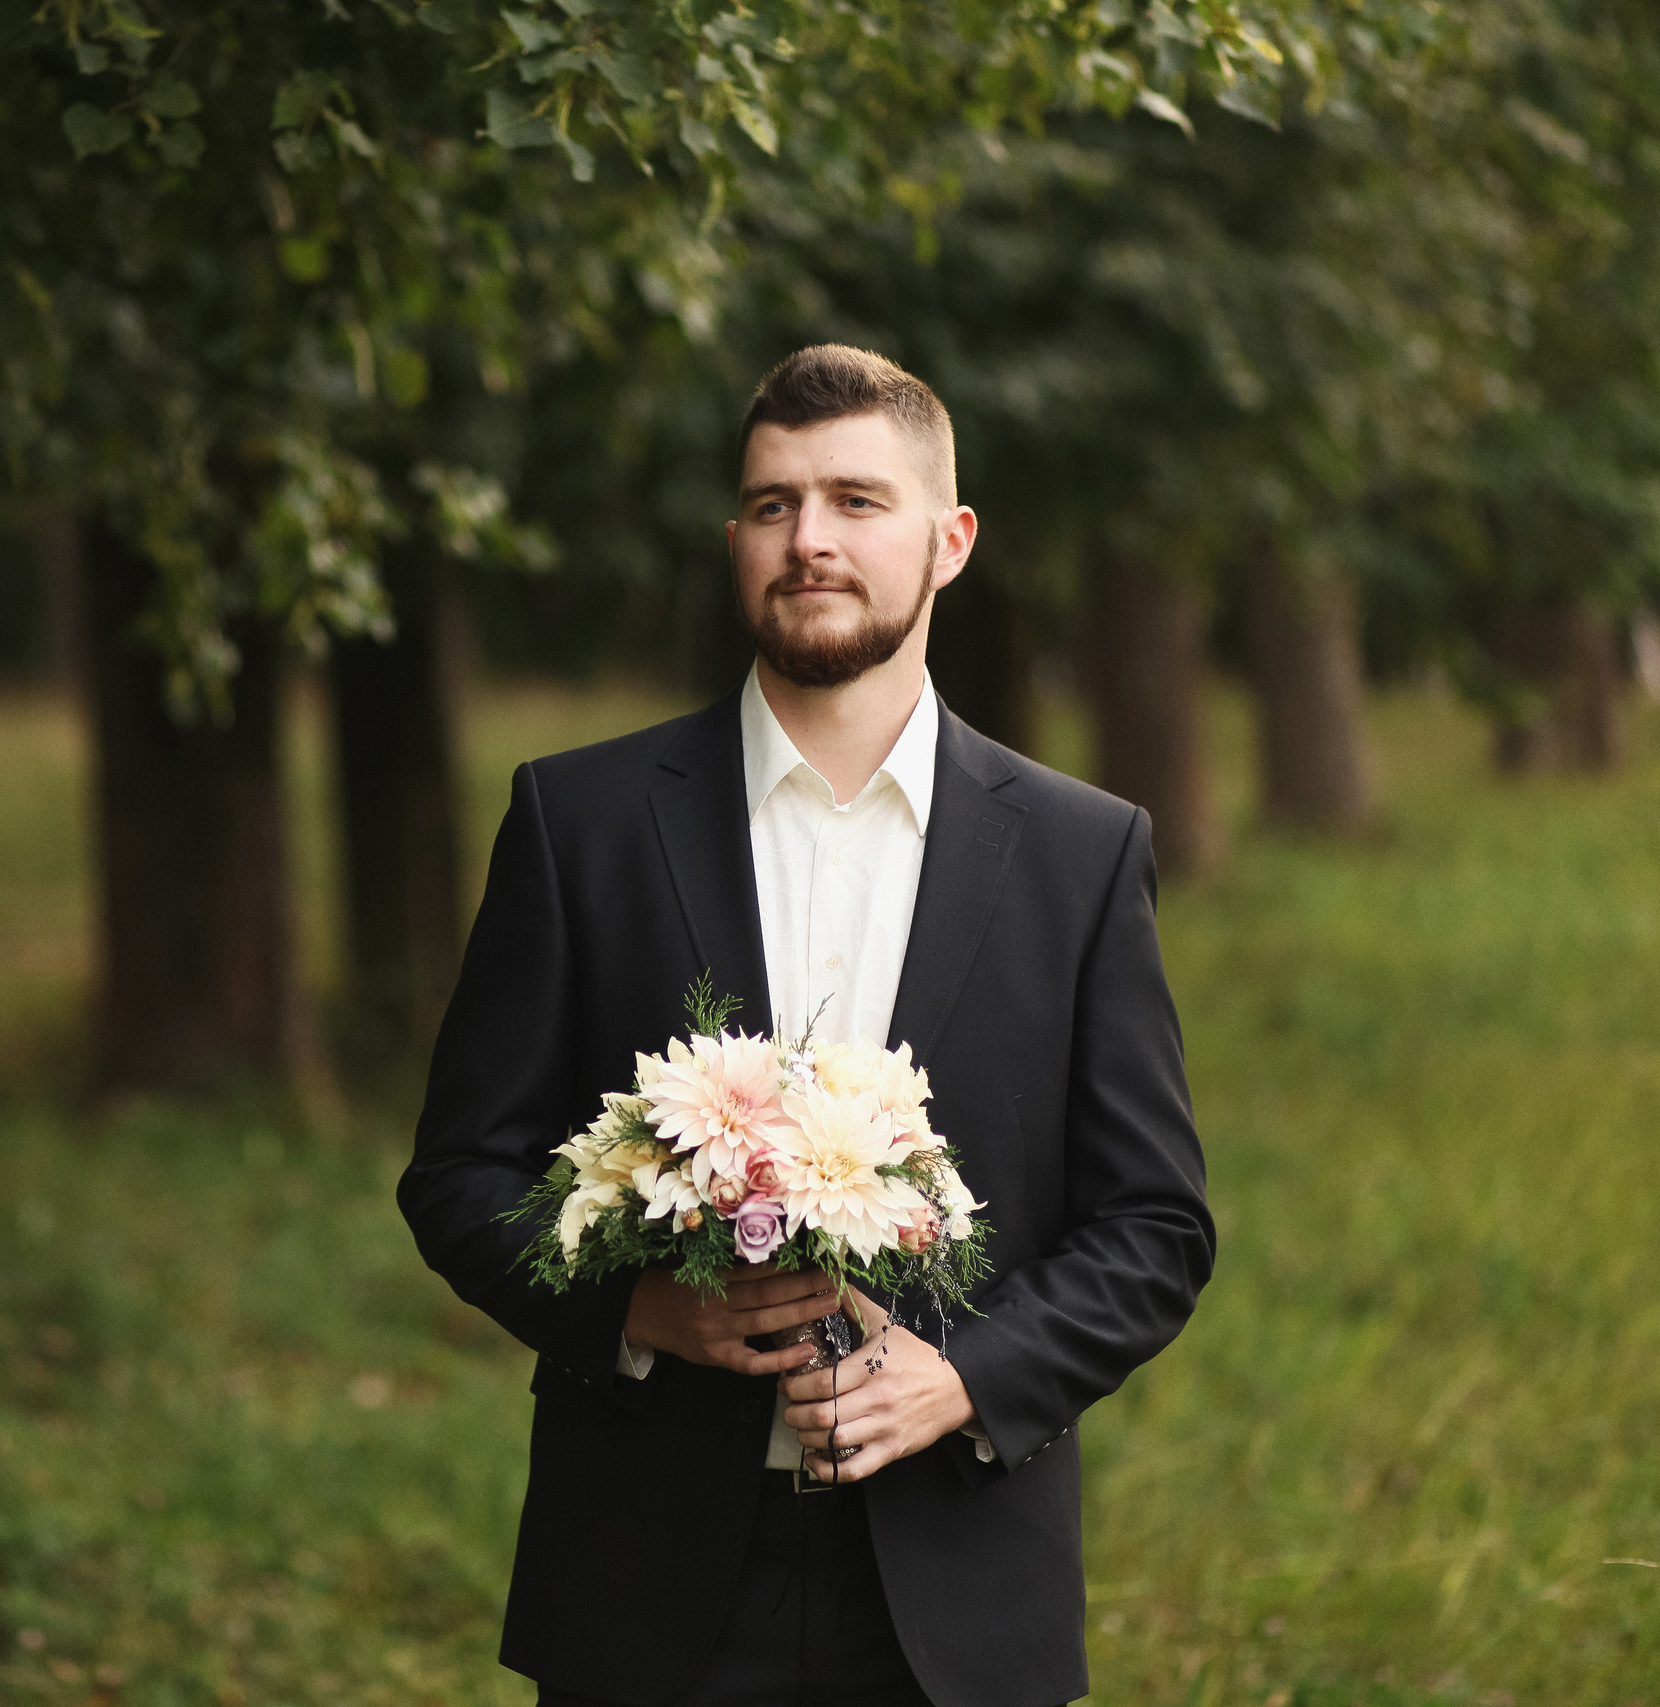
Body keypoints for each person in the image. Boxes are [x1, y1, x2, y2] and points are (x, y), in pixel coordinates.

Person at [396, 344, 1214, 1707]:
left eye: (855, 500)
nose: (808, 539)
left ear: (950, 541)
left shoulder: (1081, 854)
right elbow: (459, 1175)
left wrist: (962, 1379)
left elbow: (1155, 1228)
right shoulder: (580, 823)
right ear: (736, 544)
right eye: (772, 504)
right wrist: (640, 1308)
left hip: (960, 1588)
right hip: (644, 1580)